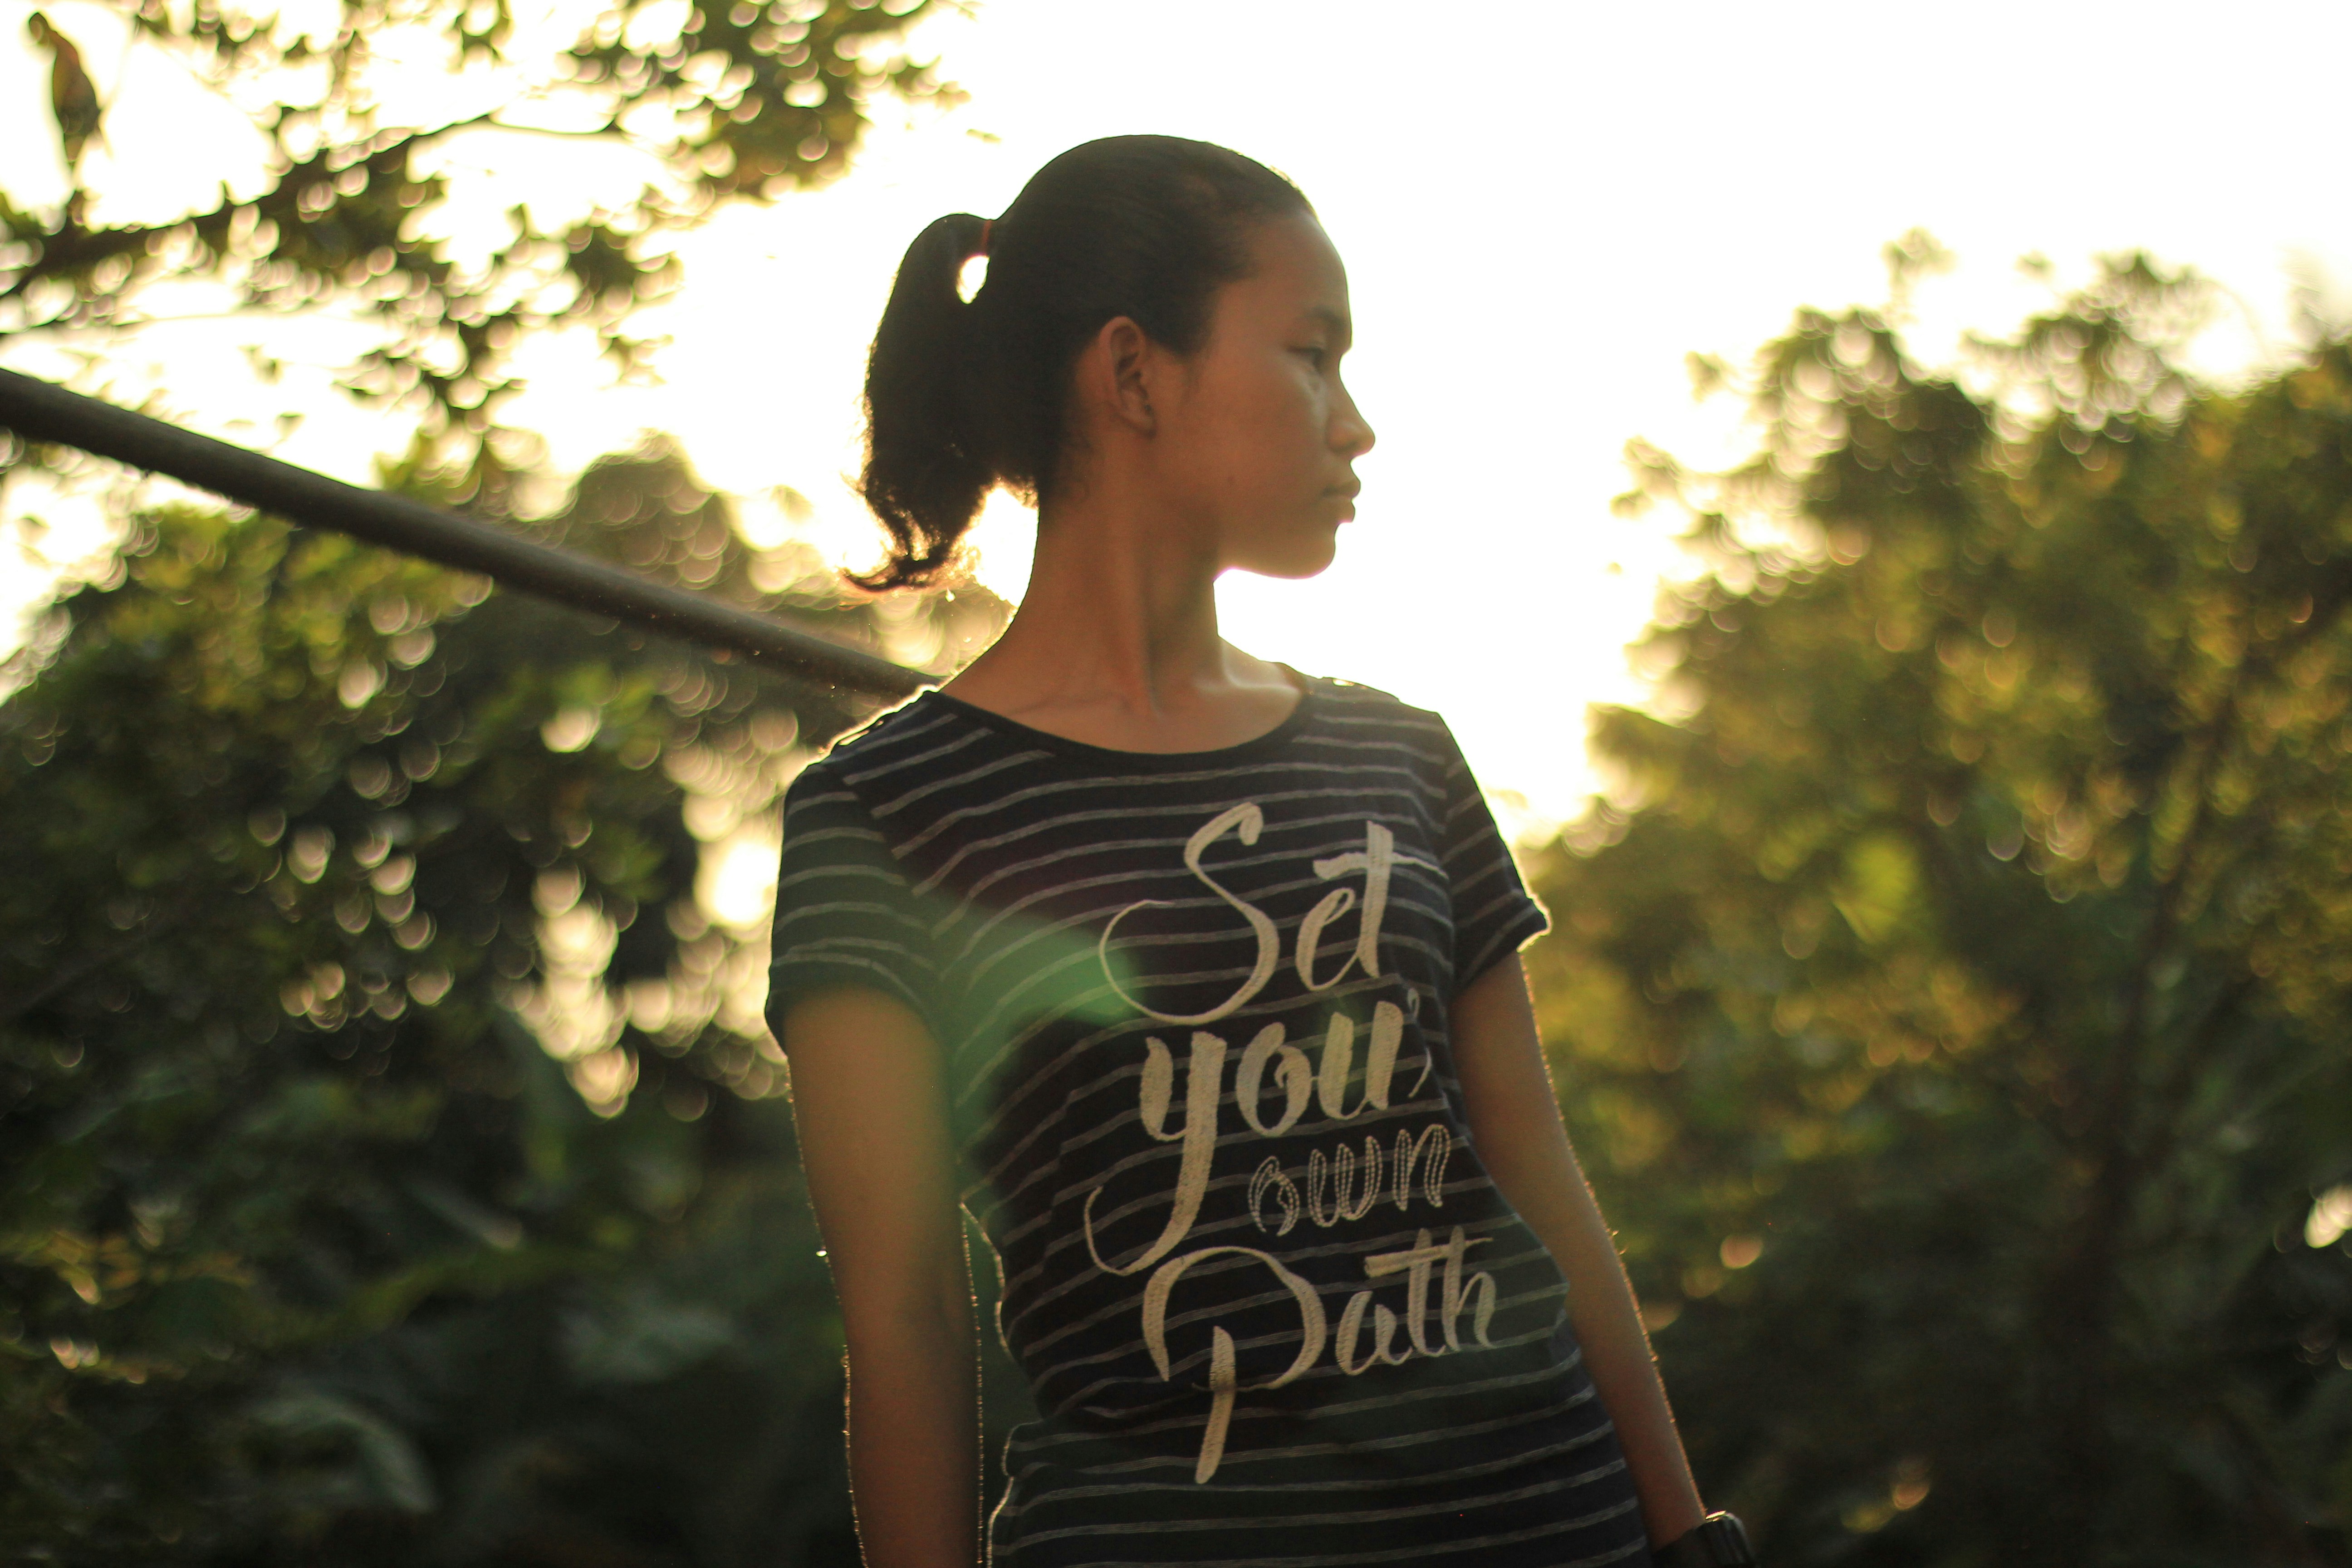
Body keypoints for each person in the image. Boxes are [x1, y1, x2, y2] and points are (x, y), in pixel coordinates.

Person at [768, 134, 1741, 1568]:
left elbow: (1535, 1177)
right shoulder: (886, 815)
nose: (1356, 425)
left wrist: (1688, 1538)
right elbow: (904, 1323)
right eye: (1313, 354)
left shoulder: (1399, 758)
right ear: (1135, 373)